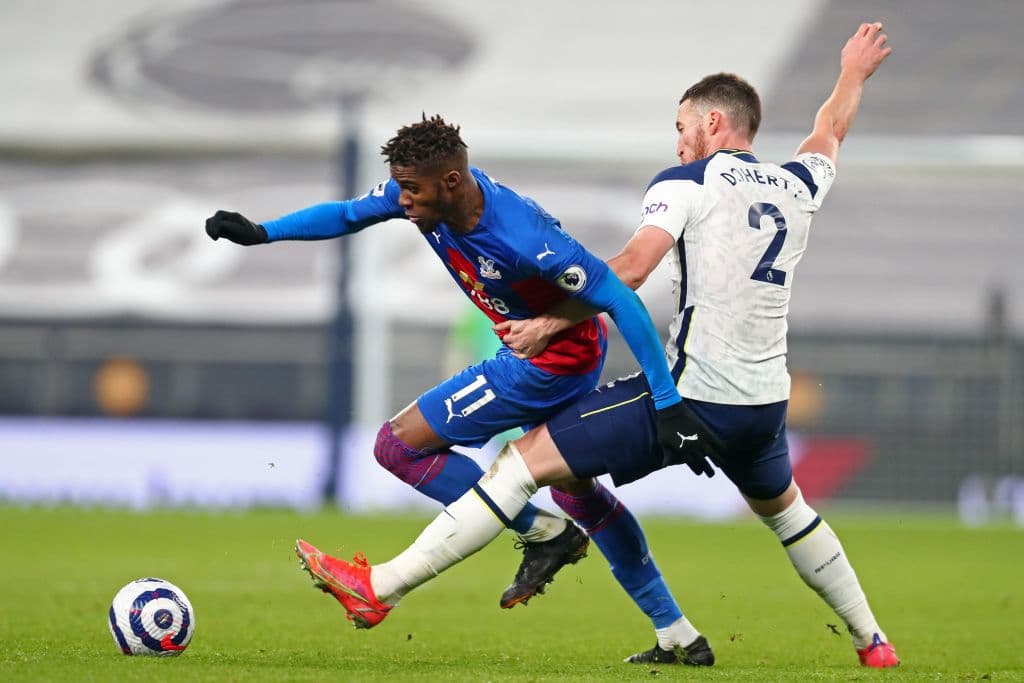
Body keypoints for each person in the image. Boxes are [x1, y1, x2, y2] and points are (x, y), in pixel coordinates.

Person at [297, 23, 899, 669]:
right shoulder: (797, 185)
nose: (678, 140)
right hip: (762, 403)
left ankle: (380, 586)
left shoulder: (685, 182)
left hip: (689, 393)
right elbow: (828, 132)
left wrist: (551, 323)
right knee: (789, 516)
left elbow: (629, 272)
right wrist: (852, 76)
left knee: (522, 464)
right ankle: (871, 641)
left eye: (682, 125)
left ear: (714, 122)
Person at [207, 115, 711, 653]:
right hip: (555, 353)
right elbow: (349, 213)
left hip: (544, 365)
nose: (402, 201)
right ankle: (677, 634)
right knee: (576, 490)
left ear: (450, 181)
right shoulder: (428, 196)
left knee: (398, 445)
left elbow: (620, 297)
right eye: (400, 187)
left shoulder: (521, 235)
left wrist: (667, 401)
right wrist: (264, 233)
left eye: (411, 190)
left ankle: (544, 533)